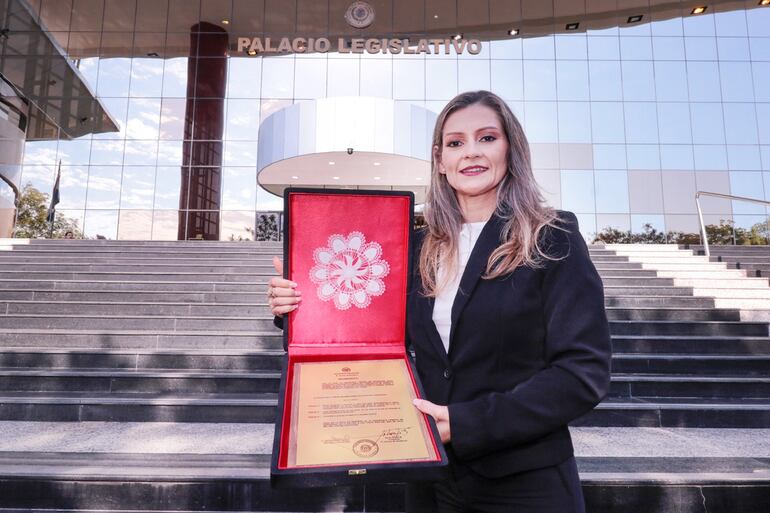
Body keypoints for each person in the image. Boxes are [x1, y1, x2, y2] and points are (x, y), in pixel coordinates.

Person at [269, 90, 611, 513]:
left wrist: (468, 424)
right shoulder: (414, 247)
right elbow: (364, 329)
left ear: (511, 149)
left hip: (525, 483)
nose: (471, 153)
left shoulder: (552, 236)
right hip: (429, 480)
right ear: (439, 159)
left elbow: (582, 372)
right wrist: (298, 309)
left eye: (487, 138)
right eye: (455, 142)